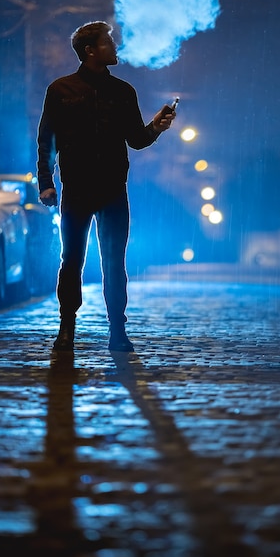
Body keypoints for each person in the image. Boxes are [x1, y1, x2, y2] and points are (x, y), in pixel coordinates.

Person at [36, 20, 176, 352]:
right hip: (76, 190)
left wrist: (155, 127)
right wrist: (46, 183)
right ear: (90, 51)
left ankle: (117, 330)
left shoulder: (123, 92)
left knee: (115, 261)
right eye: (108, 42)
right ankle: (66, 329)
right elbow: (46, 141)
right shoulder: (60, 90)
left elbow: (137, 140)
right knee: (71, 260)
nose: (114, 47)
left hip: (113, 189)